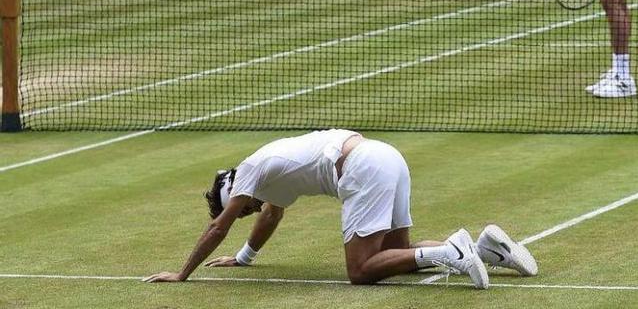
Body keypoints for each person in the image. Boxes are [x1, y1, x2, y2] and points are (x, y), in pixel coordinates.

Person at [143, 129, 538, 288]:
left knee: (361, 271)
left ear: (233, 191)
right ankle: (489, 250)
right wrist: (244, 258)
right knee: (394, 256)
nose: (248, 210)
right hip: (387, 156)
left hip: (362, 168)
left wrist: (182, 274)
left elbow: (218, 229)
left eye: (241, 208)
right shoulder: (269, 172)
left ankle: (451, 250)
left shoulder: (250, 171)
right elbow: (272, 216)